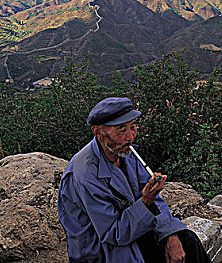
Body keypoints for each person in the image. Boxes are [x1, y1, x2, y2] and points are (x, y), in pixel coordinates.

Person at [57, 97, 212, 263]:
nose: (130, 137)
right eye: (121, 130)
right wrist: (145, 202)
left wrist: (170, 234)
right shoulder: (86, 175)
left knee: (187, 241)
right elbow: (112, 233)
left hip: (130, 227)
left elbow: (155, 201)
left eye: (133, 127)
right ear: (98, 132)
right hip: (103, 248)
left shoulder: (124, 153)